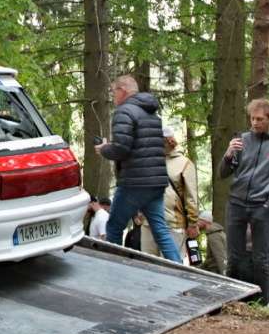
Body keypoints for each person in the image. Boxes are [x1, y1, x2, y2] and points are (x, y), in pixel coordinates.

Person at [97, 75, 182, 263]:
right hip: (156, 181)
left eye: (113, 91)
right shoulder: (152, 114)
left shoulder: (124, 112)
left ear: (122, 90)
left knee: (114, 227)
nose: (113, 96)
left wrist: (104, 149)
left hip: (134, 182)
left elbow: (122, 148)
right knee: (160, 230)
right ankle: (180, 268)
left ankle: (114, 269)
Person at [219, 98, 269, 300]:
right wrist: (228, 154)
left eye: (260, 119)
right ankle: (231, 300)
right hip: (236, 203)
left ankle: (262, 303)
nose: (255, 123)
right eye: (252, 118)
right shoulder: (241, 140)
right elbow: (223, 173)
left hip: (261, 206)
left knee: (261, 260)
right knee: (234, 258)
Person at [141, 127, 199, 263]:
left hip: (173, 224)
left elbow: (191, 197)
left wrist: (192, 223)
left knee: (171, 267)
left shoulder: (185, 163)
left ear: (169, 141)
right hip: (148, 222)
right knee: (146, 265)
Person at [196, 209, 227, 276]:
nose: (197, 223)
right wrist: (196, 269)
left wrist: (225, 277)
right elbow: (210, 259)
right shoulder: (215, 233)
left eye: (199, 220)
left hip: (215, 273)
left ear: (205, 221)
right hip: (212, 270)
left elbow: (220, 257)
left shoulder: (214, 236)